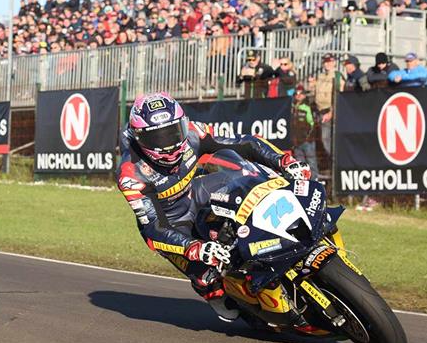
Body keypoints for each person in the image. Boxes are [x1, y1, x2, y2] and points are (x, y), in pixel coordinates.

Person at [116, 93, 310, 322]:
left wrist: (283, 161)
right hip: (171, 223)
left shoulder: (193, 133)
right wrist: (193, 247)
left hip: (195, 192)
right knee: (206, 276)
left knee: (245, 182)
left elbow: (245, 143)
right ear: (140, 138)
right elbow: (153, 229)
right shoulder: (131, 175)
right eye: (158, 137)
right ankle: (218, 295)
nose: (168, 144)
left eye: (173, 131)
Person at [313, 53, 344, 162]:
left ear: (334, 63)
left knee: (328, 139)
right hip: (319, 111)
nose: (327, 64)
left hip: (329, 111)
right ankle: (331, 163)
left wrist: (332, 112)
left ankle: (337, 162)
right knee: (323, 140)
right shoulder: (320, 76)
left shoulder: (337, 76)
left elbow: (338, 96)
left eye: (329, 62)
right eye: (325, 62)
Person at [291, 84, 319, 179]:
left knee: (311, 162)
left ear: (304, 95)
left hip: (307, 141)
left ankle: (314, 181)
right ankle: (304, 182)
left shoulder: (308, 106)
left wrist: (308, 137)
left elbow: (312, 123)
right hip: (296, 142)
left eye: (301, 93)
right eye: (296, 93)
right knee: (300, 164)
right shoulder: (292, 107)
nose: (298, 95)